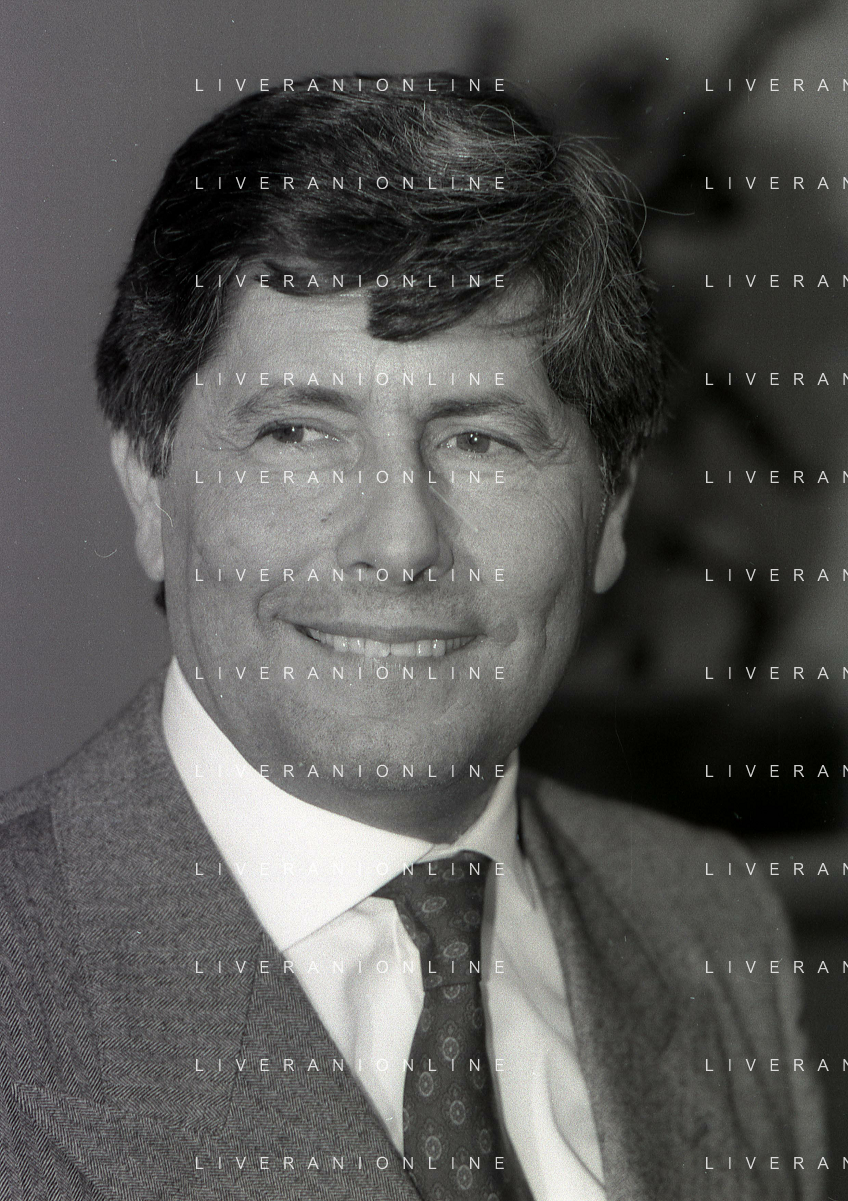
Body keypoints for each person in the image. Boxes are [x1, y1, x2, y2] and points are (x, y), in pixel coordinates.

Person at [0, 77, 823, 1201]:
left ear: (611, 511)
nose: (399, 546)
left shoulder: (706, 920)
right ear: (151, 484)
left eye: (481, 440)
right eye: (298, 432)